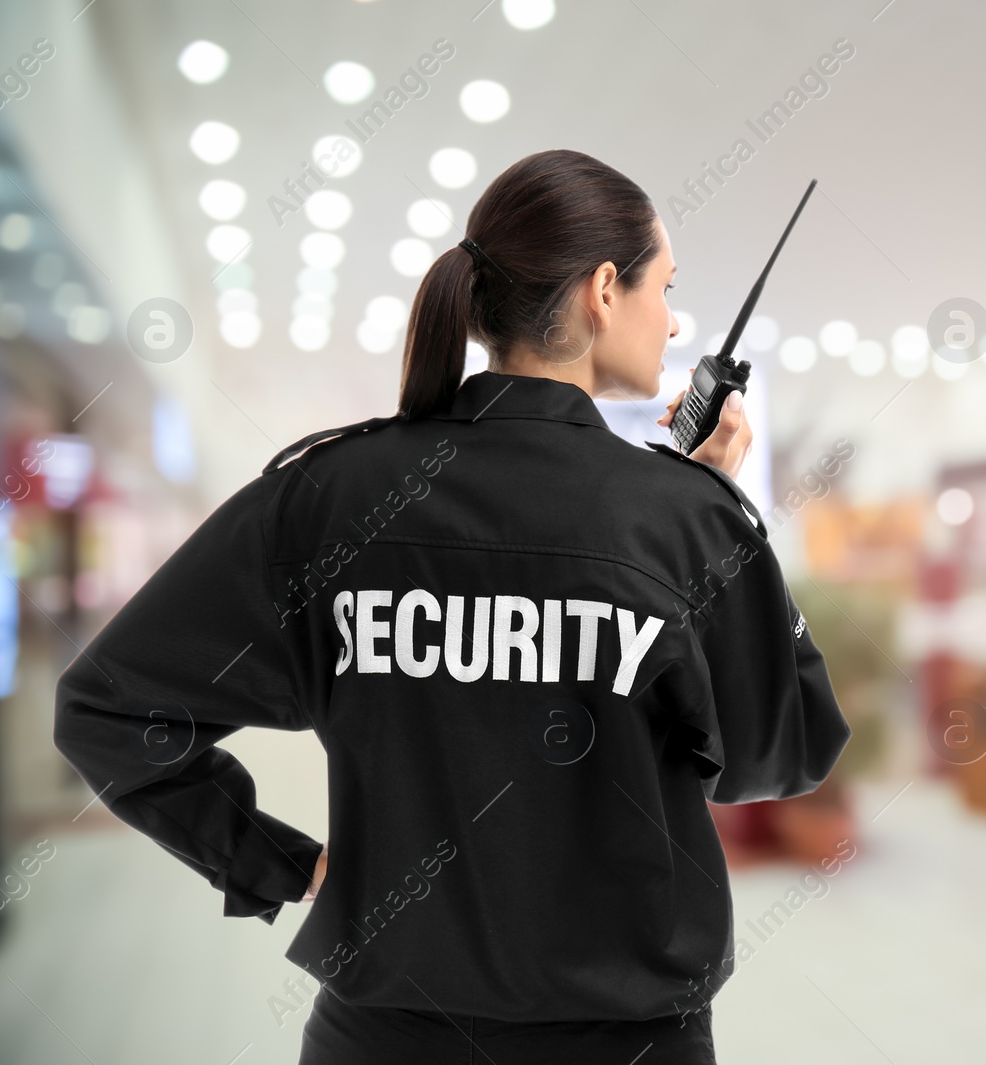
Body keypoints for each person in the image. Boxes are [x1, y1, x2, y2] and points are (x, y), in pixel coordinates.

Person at [53, 149, 851, 1064]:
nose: (673, 325)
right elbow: (784, 753)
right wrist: (723, 519)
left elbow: (106, 709)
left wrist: (282, 863)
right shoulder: (680, 520)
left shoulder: (326, 497)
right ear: (601, 291)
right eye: (665, 289)